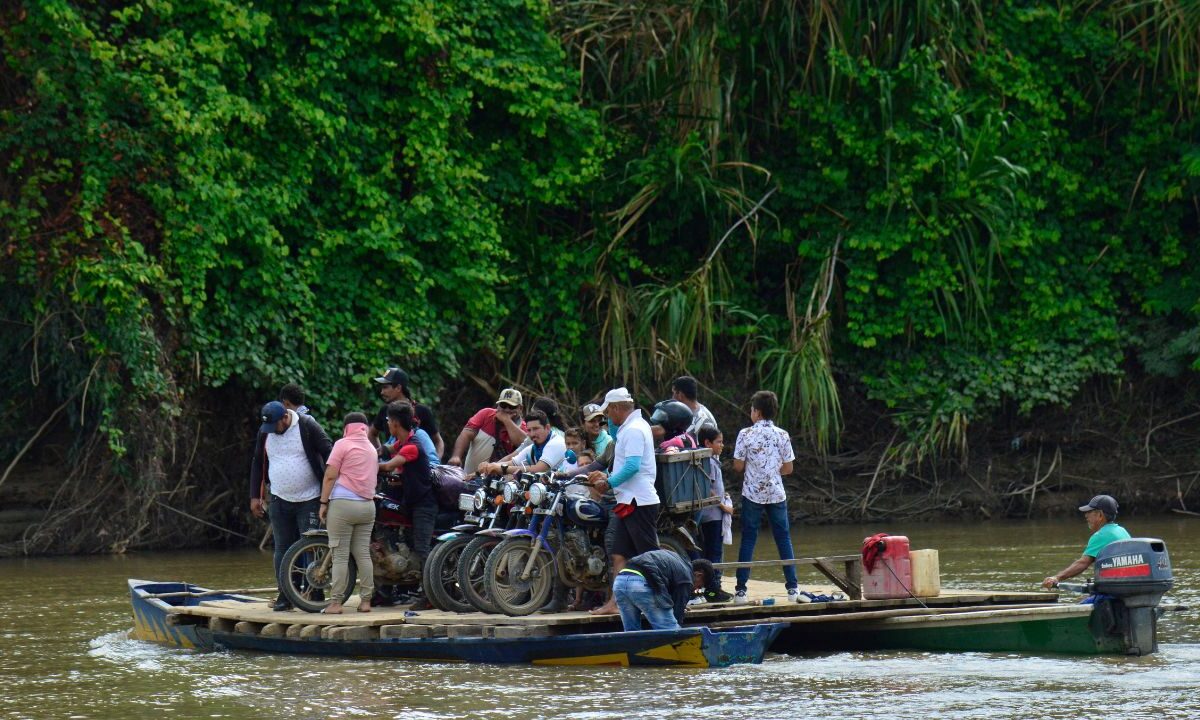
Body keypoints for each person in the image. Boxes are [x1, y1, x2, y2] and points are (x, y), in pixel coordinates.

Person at [248, 400, 332, 611]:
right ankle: (286, 595)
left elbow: (329, 452)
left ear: (285, 417)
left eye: (275, 426)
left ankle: (315, 593)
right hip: (279, 498)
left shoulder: (306, 426)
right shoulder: (266, 432)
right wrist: (255, 497)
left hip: (310, 498)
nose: (272, 431)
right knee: (282, 548)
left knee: (312, 548)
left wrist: (329, 492)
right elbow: (258, 462)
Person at [587, 387, 661, 616]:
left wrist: (608, 482)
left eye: (609, 412)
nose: (607, 417)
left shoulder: (635, 430)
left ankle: (665, 598)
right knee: (619, 554)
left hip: (640, 501)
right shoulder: (628, 428)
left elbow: (632, 466)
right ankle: (615, 603)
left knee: (649, 556)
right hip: (627, 500)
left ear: (618, 408)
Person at [732, 390, 801, 605]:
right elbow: (788, 468)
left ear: (758, 412)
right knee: (783, 538)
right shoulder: (782, 434)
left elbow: (738, 466)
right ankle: (792, 589)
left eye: (752, 409)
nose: (750, 413)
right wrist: (771, 472)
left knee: (749, 538)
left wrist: (757, 471)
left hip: (752, 493)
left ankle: (741, 592)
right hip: (776, 493)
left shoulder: (745, 434)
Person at [317, 412, 376, 615]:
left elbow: (330, 475)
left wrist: (323, 502)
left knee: (340, 555)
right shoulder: (371, 448)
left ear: (346, 428)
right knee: (362, 554)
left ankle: (335, 603)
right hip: (368, 507)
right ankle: (366, 601)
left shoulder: (342, 444)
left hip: (343, 505)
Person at [377, 402, 437, 587]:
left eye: (388, 421)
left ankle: (429, 595)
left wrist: (361, 466)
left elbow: (388, 465)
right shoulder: (403, 441)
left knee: (422, 549)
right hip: (411, 501)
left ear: (395, 423)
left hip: (424, 504)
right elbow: (385, 450)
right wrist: (364, 452)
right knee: (409, 543)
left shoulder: (412, 446)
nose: (387, 424)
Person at [1042, 495, 1132, 590]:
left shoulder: (1100, 536)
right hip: (1126, 585)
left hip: (1114, 590)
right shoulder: (1122, 530)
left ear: (1100, 515)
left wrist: (1056, 578)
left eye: (1089, 512)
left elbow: (1083, 563)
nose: (1086, 515)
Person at [613, 550, 713, 631]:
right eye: (699, 586)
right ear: (699, 575)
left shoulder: (677, 561)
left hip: (620, 580)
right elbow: (677, 616)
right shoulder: (687, 579)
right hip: (641, 583)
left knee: (632, 633)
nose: (696, 589)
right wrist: (679, 608)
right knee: (670, 632)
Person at [695, 425, 733, 602]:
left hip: (711, 515)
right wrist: (723, 506)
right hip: (712, 515)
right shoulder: (708, 462)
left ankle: (711, 590)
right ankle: (713, 591)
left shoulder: (711, 460)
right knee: (714, 554)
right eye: (718, 442)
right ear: (707, 443)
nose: (722, 445)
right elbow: (707, 488)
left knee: (710, 553)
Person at [447, 388, 528, 471]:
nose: (507, 409)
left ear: (520, 408)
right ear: (498, 405)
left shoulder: (524, 428)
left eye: (511, 407)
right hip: (469, 476)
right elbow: (466, 434)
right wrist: (456, 456)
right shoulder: (486, 414)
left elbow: (525, 446)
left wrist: (507, 420)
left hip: (500, 481)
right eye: (503, 405)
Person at [371, 368, 444, 459]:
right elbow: (372, 434)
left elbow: (438, 441)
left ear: (398, 388)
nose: (382, 392)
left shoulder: (422, 411)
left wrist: (435, 465)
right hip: (392, 469)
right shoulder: (385, 410)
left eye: (385, 387)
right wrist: (384, 456)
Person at [479, 410, 566, 476]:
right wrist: (488, 466)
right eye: (529, 430)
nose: (532, 434)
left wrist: (501, 468)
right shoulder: (533, 448)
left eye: (536, 429)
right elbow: (512, 463)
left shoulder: (556, 442)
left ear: (547, 428)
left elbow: (538, 469)